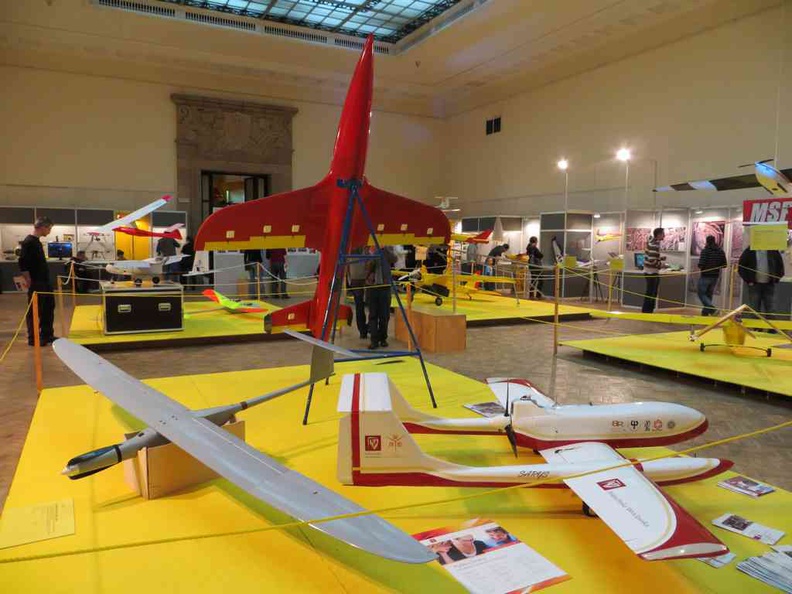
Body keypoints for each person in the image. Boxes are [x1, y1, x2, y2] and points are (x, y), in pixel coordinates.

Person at [19, 216, 56, 346]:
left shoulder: (37, 242)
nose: (49, 231)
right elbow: (23, 263)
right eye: (49, 228)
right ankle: (33, 338)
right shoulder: (29, 242)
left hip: (44, 282)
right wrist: (28, 280)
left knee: (48, 307)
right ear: (42, 227)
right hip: (37, 282)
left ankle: (47, 334)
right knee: (35, 310)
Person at [738, 245, 785, 319]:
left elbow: (780, 265)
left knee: (770, 308)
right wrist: (748, 280)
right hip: (754, 285)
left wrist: (776, 278)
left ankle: (771, 329)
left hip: (769, 284)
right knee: (754, 308)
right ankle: (756, 328)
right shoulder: (750, 250)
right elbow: (741, 267)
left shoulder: (773, 250)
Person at [365, 245, 396, 350]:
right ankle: (374, 340)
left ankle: (383, 338)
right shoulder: (367, 251)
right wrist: (373, 255)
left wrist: (385, 250)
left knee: (385, 315)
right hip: (372, 287)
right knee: (373, 315)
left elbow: (394, 259)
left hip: (385, 287)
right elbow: (366, 267)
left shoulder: (387, 250)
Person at [696, 235, 727, 316]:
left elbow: (701, 265)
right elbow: (724, 265)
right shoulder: (720, 251)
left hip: (705, 275)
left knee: (701, 293)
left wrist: (701, 266)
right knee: (709, 294)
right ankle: (705, 313)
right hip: (715, 276)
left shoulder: (705, 251)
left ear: (707, 241)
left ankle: (712, 310)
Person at [642, 228, 666, 313]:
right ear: (658, 235)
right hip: (651, 272)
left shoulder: (653, 243)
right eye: (663, 234)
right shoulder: (654, 245)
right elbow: (651, 261)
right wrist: (661, 265)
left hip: (650, 272)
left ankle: (648, 312)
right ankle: (647, 312)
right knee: (651, 293)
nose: (664, 235)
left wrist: (660, 258)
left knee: (652, 293)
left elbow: (651, 257)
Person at [346, 248, 368, 339]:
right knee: (360, 307)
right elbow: (347, 268)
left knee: (365, 306)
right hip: (357, 281)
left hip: (366, 280)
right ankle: (363, 330)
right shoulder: (351, 250)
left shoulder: (364, 250)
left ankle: (367, 328)